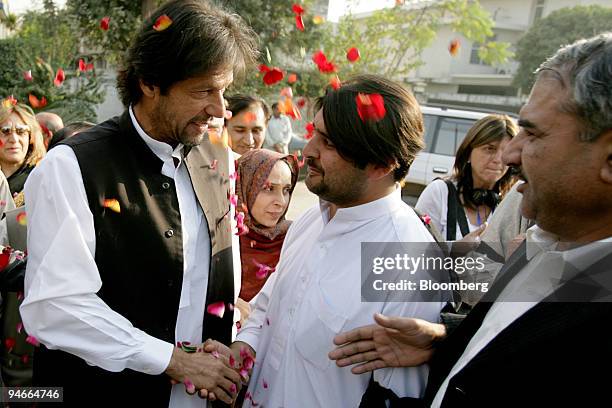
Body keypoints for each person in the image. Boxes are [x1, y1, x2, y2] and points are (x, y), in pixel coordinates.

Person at [329, 33, 612, 407]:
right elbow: (502, 341)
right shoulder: (539, 242)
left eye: (533, 133)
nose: (509, 155)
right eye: (492, 147)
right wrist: (441, 339)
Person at [20, 1, 258, 406]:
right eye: (204, 91)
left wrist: (230, 342)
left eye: (224, 91)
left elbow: (218, 270)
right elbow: (55, 306)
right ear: (149, 83)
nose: (220, 109)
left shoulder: (216, 155)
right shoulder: (73, 166)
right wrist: (172, 360)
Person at [210, 75, 447, 407]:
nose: (307, 152)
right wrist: (244, 348)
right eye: (314, 135)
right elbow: (269, 306)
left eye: (329, 143)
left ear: (382, 165)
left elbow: (398, 397)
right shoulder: (311, 220)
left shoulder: (408, 260)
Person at [415, 114, 517, 240]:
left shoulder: (512, 201)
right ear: (468, 153)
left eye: (506, 152)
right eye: (490, 149)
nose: (498, 160)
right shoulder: (440, 192)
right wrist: (455, 250)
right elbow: (415, 252)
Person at [235, 149, 299, 302]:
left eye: (286, 190)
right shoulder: (220, 240)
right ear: (245, 186)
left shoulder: (295, 238)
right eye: (268, 188)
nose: (281, 202)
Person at [0, 102, 46, 197]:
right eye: (5, 131)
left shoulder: (43, 178)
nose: (14, 139)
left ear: (31, 138)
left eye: (21, 132)